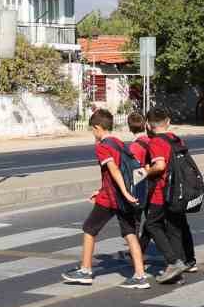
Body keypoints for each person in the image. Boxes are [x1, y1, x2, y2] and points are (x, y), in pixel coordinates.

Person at [61, 107, 151, 289]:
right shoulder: (118, 142)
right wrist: (110, 190)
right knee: (130, 233)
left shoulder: (103, 146)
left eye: (92, 130)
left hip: (111, 197)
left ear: (97, 128)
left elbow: (114, 170)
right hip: (122, 197)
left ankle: (85, 271)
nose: (92, 134)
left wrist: (123, 192)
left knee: (89, 229)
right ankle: (140, 276)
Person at [140, 105, 198, 283]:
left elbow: (160, 166)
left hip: (162, 191)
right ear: (168, 122)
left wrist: (145, 172)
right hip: (178, 190)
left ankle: (173, 262)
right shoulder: (175, 138)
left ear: (148, 125)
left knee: (152, 225)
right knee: (176, 226)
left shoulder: (156, 142)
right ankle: (185, 263)